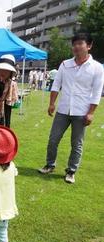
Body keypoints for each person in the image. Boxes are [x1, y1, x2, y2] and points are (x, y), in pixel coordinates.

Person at [38, 32, 104, 184]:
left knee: (77, 143)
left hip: (82, 111)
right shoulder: (65, 64)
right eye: (74, 44)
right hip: (63, 108)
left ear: (89, 46)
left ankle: (71, 171)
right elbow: (56, 84)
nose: (76, 47)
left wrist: (91, 113)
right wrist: (52, 103)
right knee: (53, 139)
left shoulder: (97, 68)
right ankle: (50, 165)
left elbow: (97, 92)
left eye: (80, 43)